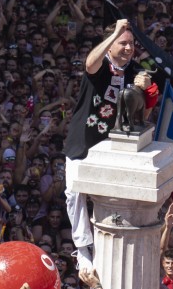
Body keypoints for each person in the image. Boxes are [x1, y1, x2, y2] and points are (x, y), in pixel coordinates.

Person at [64, 18, 156, 268]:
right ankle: (83, 247)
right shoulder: (101, 64)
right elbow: (89, 64)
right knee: (74, 193)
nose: (129, 48)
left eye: (132, 44)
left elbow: (142, 118)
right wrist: (114, 30)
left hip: (114, 146)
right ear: (110, 44)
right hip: (83, 140)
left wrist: (144, 93)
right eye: (123, 43)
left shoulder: (137, 71)